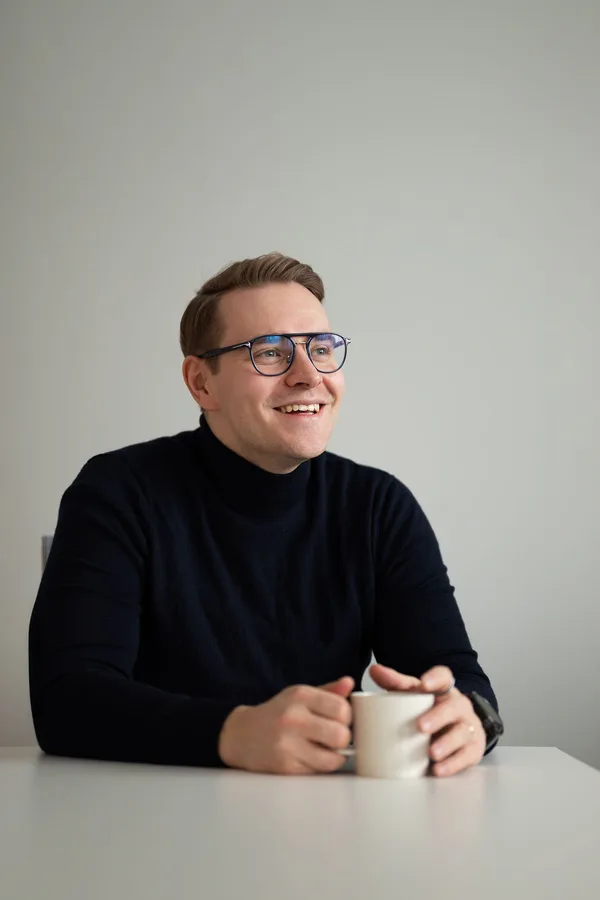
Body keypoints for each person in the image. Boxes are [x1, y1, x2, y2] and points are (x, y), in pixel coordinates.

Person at [29, 252, 501, 777]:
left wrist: (468, 717)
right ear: (201, 383)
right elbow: (66, 700)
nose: (309, 375)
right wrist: (232, 731)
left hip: (329, 811)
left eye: (321, 349)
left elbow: (460, 680)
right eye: (270, 352)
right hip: (147, 809)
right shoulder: (118, 492)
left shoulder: (378, 506)